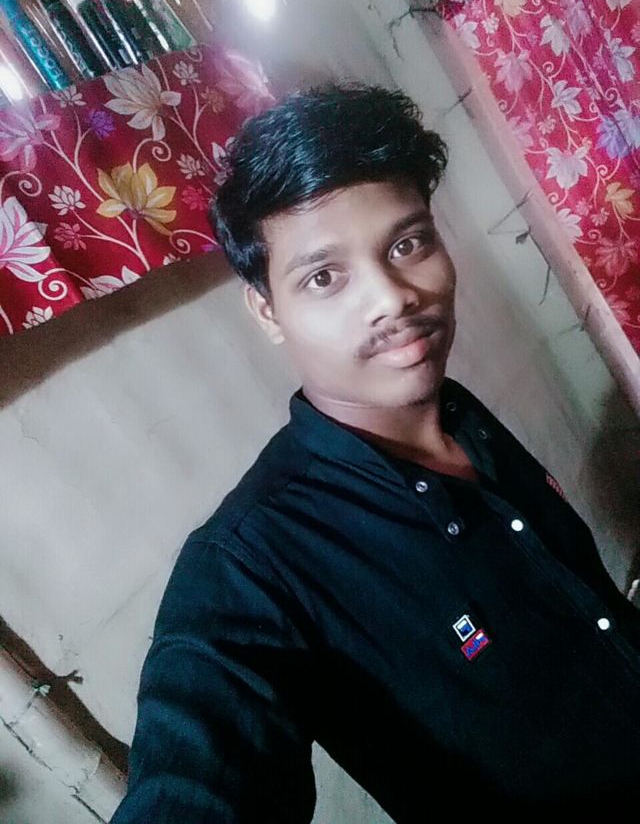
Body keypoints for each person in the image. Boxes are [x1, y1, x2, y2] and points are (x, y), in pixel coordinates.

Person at [110, 83, 640, 823]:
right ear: (267, 309)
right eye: (324, 276)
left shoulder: (459, 415)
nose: (393, 298)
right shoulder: (249, 567)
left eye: (407, 244)